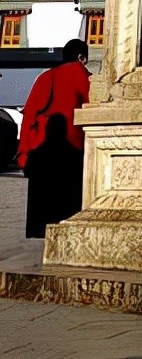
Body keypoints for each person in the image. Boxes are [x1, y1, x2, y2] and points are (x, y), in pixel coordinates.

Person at [16, 39, 90, 239]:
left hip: (41, 150)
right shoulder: (82, 75)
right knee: (67, 211)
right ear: (81, 58)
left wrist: (24, 153)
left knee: (44, 215)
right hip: (71, 149)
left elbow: (29, 116)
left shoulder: (45, 77)